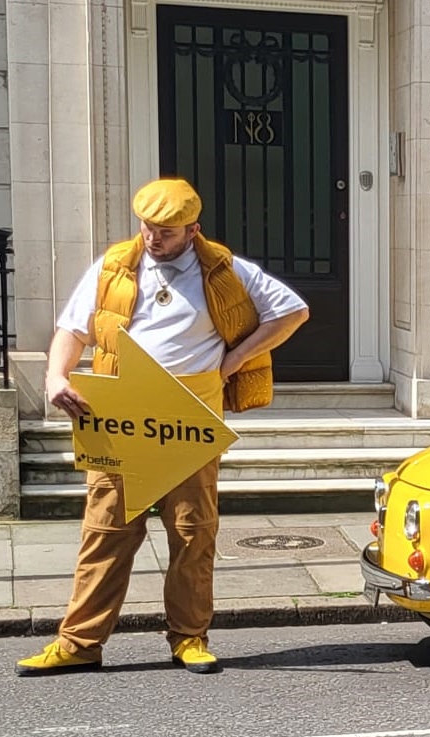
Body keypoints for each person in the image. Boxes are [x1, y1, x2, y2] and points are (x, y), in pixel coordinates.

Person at [16, 178, 309, 676]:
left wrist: (235, 361)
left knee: (193, 533)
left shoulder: (225, 268)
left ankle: (190, 638)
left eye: (167, 232)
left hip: (190, 417)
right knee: (105, 531)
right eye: (149, 228)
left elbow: (293, 311)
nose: (154, 239)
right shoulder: (114, 267)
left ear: (193, 230)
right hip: (122, 417)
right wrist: (54, 376)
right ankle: (79, 643)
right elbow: (72, 328)